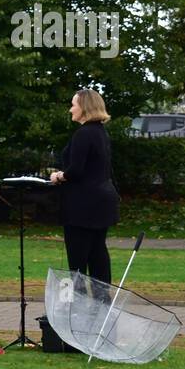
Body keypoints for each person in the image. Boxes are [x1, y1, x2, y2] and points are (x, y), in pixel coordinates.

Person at [50, 89, 119, 288]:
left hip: (82, 205)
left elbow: (76, 170)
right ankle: (101, 300)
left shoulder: (84, 133)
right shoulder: (100, 132)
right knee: (97, 253)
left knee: (78, 258)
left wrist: (59, 176)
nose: (71, 109)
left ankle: (77, 304)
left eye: (74, 105)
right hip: (101, 201)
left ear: (84, 108)